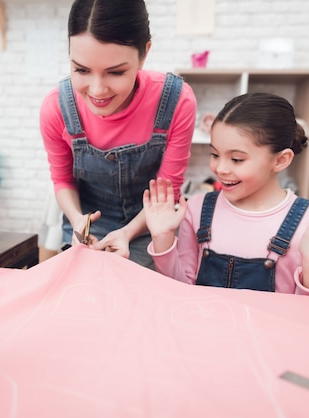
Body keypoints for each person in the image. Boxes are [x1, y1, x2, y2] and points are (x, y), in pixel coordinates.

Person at [143, 92, 309, 295]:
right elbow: (179, 295)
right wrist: (162, 239)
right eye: (215, 154)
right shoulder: (198, 207)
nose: (221, 168)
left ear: (281, 160)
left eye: (237, 159)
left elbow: (308, 318)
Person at [40, 0, 197, 269]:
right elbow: (62, 180)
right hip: (88, 230)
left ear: (144, 53)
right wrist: (79, 220)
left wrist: (126, 233)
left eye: (116, 72)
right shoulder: (57, 107)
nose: (98, 90)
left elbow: (166, 191)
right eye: (81, 70)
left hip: (150, 228)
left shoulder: (176, 101)